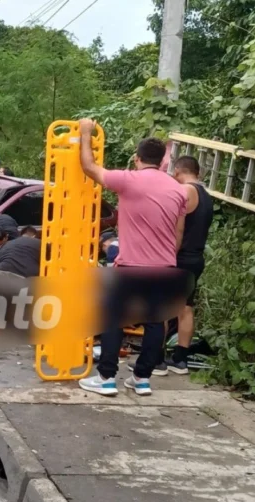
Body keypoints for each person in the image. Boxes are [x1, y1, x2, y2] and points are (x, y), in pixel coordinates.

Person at [76, 118, 187, 397]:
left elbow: (89, 167)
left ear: (137, 159)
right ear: (163, 160)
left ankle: (106, 378)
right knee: (154, 323)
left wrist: (86, 132)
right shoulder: (178, 189)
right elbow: (178, 232)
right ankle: (142, 378)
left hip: (131, 266)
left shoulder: (128, 180)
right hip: (164, 267)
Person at [167, 156, 214, 375]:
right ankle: (180, 359)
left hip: (180, 257)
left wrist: (169, 255)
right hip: (196, 258)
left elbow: (177, 229)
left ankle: (155, 358)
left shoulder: (184, 192)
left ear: (178, 171)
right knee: (185, 308)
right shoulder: (206, 196)